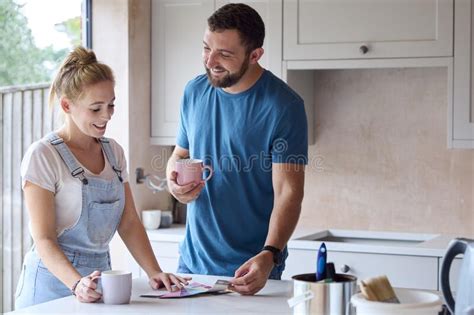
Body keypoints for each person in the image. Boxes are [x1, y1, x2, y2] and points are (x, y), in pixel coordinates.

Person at [15, 46, 189, 309]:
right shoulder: (43, 156)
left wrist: (155, 272)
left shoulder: (114, 152)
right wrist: (76, 283)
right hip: (51, 288)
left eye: (111, 105)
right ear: (67, 105)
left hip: (98, 284)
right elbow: (44, 240)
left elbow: (129, 221)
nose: (107, 115)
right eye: (95, 108)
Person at [166, 3, 307, 295]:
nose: (210, 61)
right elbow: (180, 154)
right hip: (191, 266)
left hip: (252, 270)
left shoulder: (284, 107)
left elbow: (288, 192)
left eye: (225, 54)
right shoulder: (194, 92)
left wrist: (271, 253)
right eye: (206, 48)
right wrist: (173, 182)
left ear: (255, 55)